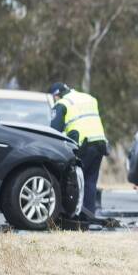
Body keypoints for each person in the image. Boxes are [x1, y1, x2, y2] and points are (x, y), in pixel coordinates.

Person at [49, 82, 108, 219]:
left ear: (56, 95)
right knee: (90, 182)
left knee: (76, 180)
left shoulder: (62, 103)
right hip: (99, 142)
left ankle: (74, 215)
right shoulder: (89, 98)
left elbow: (54, 130)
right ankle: (88, 216)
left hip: (84, 144)